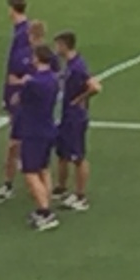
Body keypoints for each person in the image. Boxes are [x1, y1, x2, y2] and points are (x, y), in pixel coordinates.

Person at [52, 32, 100, 210]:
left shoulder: (78, 66)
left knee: (77, 157)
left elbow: (95, 87)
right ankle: (61, 187)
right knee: (62, 154)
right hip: (65, 116)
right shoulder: (70, 64)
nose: (56, 49)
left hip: (75, 118)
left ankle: (81, 196)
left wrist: (80, 99)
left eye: (57, 45)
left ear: (64, 45)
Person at [18, 45, 62, 231]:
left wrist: (24, 83)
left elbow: (20, 100)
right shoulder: (53, 79)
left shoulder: (33, 82)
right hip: (48, 128)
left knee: (30, 172)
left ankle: (45, 212)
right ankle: (44, 207)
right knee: (44, 169)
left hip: (33, 131)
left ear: (37, 58)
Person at [0, 0, 31, 202]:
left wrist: (12, 91)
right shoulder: (21, 30)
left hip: (19, 94)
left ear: (11, 9)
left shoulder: (22, 34)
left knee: (14, 142)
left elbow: (17, 67)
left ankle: (8, 183)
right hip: (17, 92)